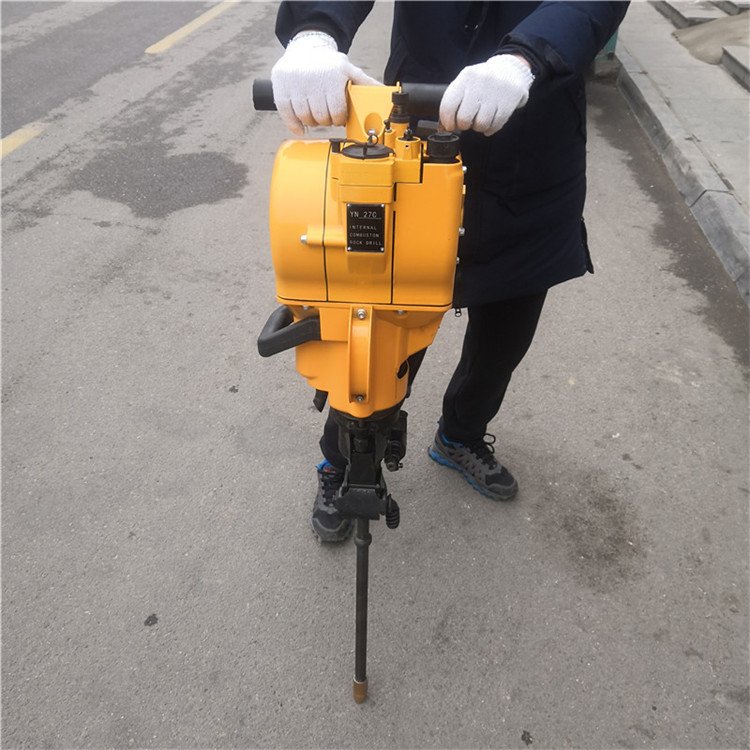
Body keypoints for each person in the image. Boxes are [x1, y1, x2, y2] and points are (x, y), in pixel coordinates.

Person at [270, 1, 629, 542]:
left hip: (531, 135)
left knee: (505, 332)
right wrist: (315, 30)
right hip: (411, 136)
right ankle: (343, 462)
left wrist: (526, 57)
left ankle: (460, 434)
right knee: (377, 331)